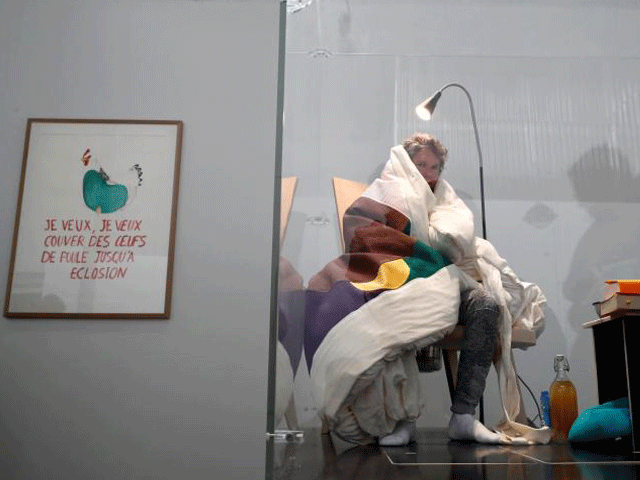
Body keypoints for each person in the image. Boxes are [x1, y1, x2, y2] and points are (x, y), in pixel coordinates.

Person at [304, 133, 549, 447]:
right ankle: (402, 418)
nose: (428, 171)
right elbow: (364, 235)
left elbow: (460, 246)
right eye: (420, 163)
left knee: (486, 305)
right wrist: (425, 254)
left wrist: (439, 249)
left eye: (434, 166)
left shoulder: (449, 201)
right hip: (396, 279)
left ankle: (463, 415)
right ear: (406, 162)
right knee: (399, 304)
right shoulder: (386, 190)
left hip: (450, 280)